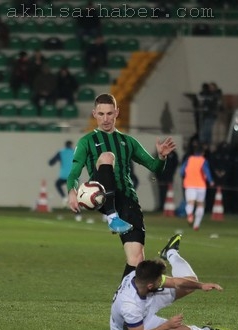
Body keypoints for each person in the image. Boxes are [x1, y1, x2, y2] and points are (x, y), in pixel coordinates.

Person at [66, 93, 176, 279]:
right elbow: (74, 171)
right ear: (94, 114)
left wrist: (162, 157)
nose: (106, 119)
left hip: (127, 200)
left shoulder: (129, 142)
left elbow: (154, 167)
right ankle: (111, 216)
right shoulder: (86, 141)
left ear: (117, 112)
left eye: (109, 113)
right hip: (103, 194)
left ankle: (123, 299)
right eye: (101, 114)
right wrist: (71, 191)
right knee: (107, 156)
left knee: (137, 259)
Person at [110, 234, 234, 330]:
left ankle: (170, 253)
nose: (162, 281)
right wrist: (166, 325)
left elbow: (175, 282)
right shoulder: (130, 306)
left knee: (190, 282)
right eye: (160, 280)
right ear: (150, 285)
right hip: (137, 323)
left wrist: (201, 285)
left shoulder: (139, 276)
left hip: (147, 299)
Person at [180, 145, 214, 231]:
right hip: (201, 185)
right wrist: (210, 181)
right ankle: (196, 224)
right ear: (203, 153)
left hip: (189, 184)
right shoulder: (203, 160)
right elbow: (206, 170)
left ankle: (190, 214)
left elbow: (182, 171)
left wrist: (185, 175)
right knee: (200, 204)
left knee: (190, 202)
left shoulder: (189, 159)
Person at [48, 140, 75, 205]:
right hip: (73, 176)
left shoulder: (61, 152)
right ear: (71, 145)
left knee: (57, 184)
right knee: (74, 196)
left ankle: (64, 197)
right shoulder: (75, 152)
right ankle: (78, 214)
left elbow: (51, 162)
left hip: (64, 176)